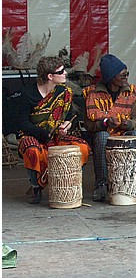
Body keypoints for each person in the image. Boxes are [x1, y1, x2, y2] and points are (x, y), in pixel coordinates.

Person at [15, 56, 91, 204]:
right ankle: (36, 186)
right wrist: (44, 133)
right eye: (61, 71)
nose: (65, 74)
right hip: (34, 135)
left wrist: (67, 125)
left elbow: (70, 116)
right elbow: (23, 123)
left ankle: (69, 185)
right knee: (33, 150)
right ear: (50, 76)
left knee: (82, 148)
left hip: (57, 136)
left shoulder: (64, 92)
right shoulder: (27, 94)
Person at [83, 54, 136, 201]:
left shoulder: (130, 92)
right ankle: (101, 185)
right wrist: (104, 123)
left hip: (124, 132)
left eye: (126, 74)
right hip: (104, 133)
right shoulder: (92, 93)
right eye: (122, 75)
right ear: (111, 77)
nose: (126, 78)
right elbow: (88, 125)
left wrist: (129, 124)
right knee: (102, 137)